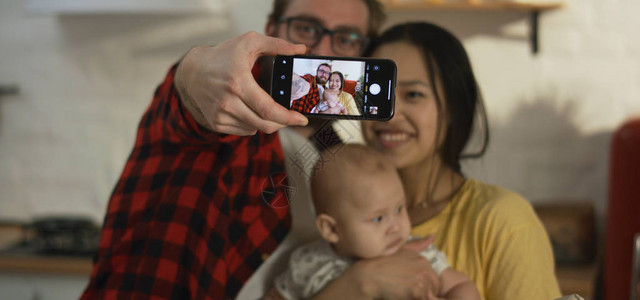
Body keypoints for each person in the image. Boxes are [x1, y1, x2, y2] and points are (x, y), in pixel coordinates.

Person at [80, 1, 442, 299]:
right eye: (305, 28)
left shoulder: (337, 153)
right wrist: (194, 72)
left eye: (346, 38)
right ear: (272, 27)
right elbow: (189, 96)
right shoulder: (226, 112)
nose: (321, 50)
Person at [358, 22, 563, 299]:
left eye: (413, 95)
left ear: (454, 107)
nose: (390, 115)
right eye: (377, 92)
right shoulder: (342, 213)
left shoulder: (503, 221)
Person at [266, 144, 480, 300]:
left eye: (399, 209)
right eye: (378, 218)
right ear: (331, 229)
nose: (396, 226)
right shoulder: (309, 263)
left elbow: (461, 285)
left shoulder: (418, 257)